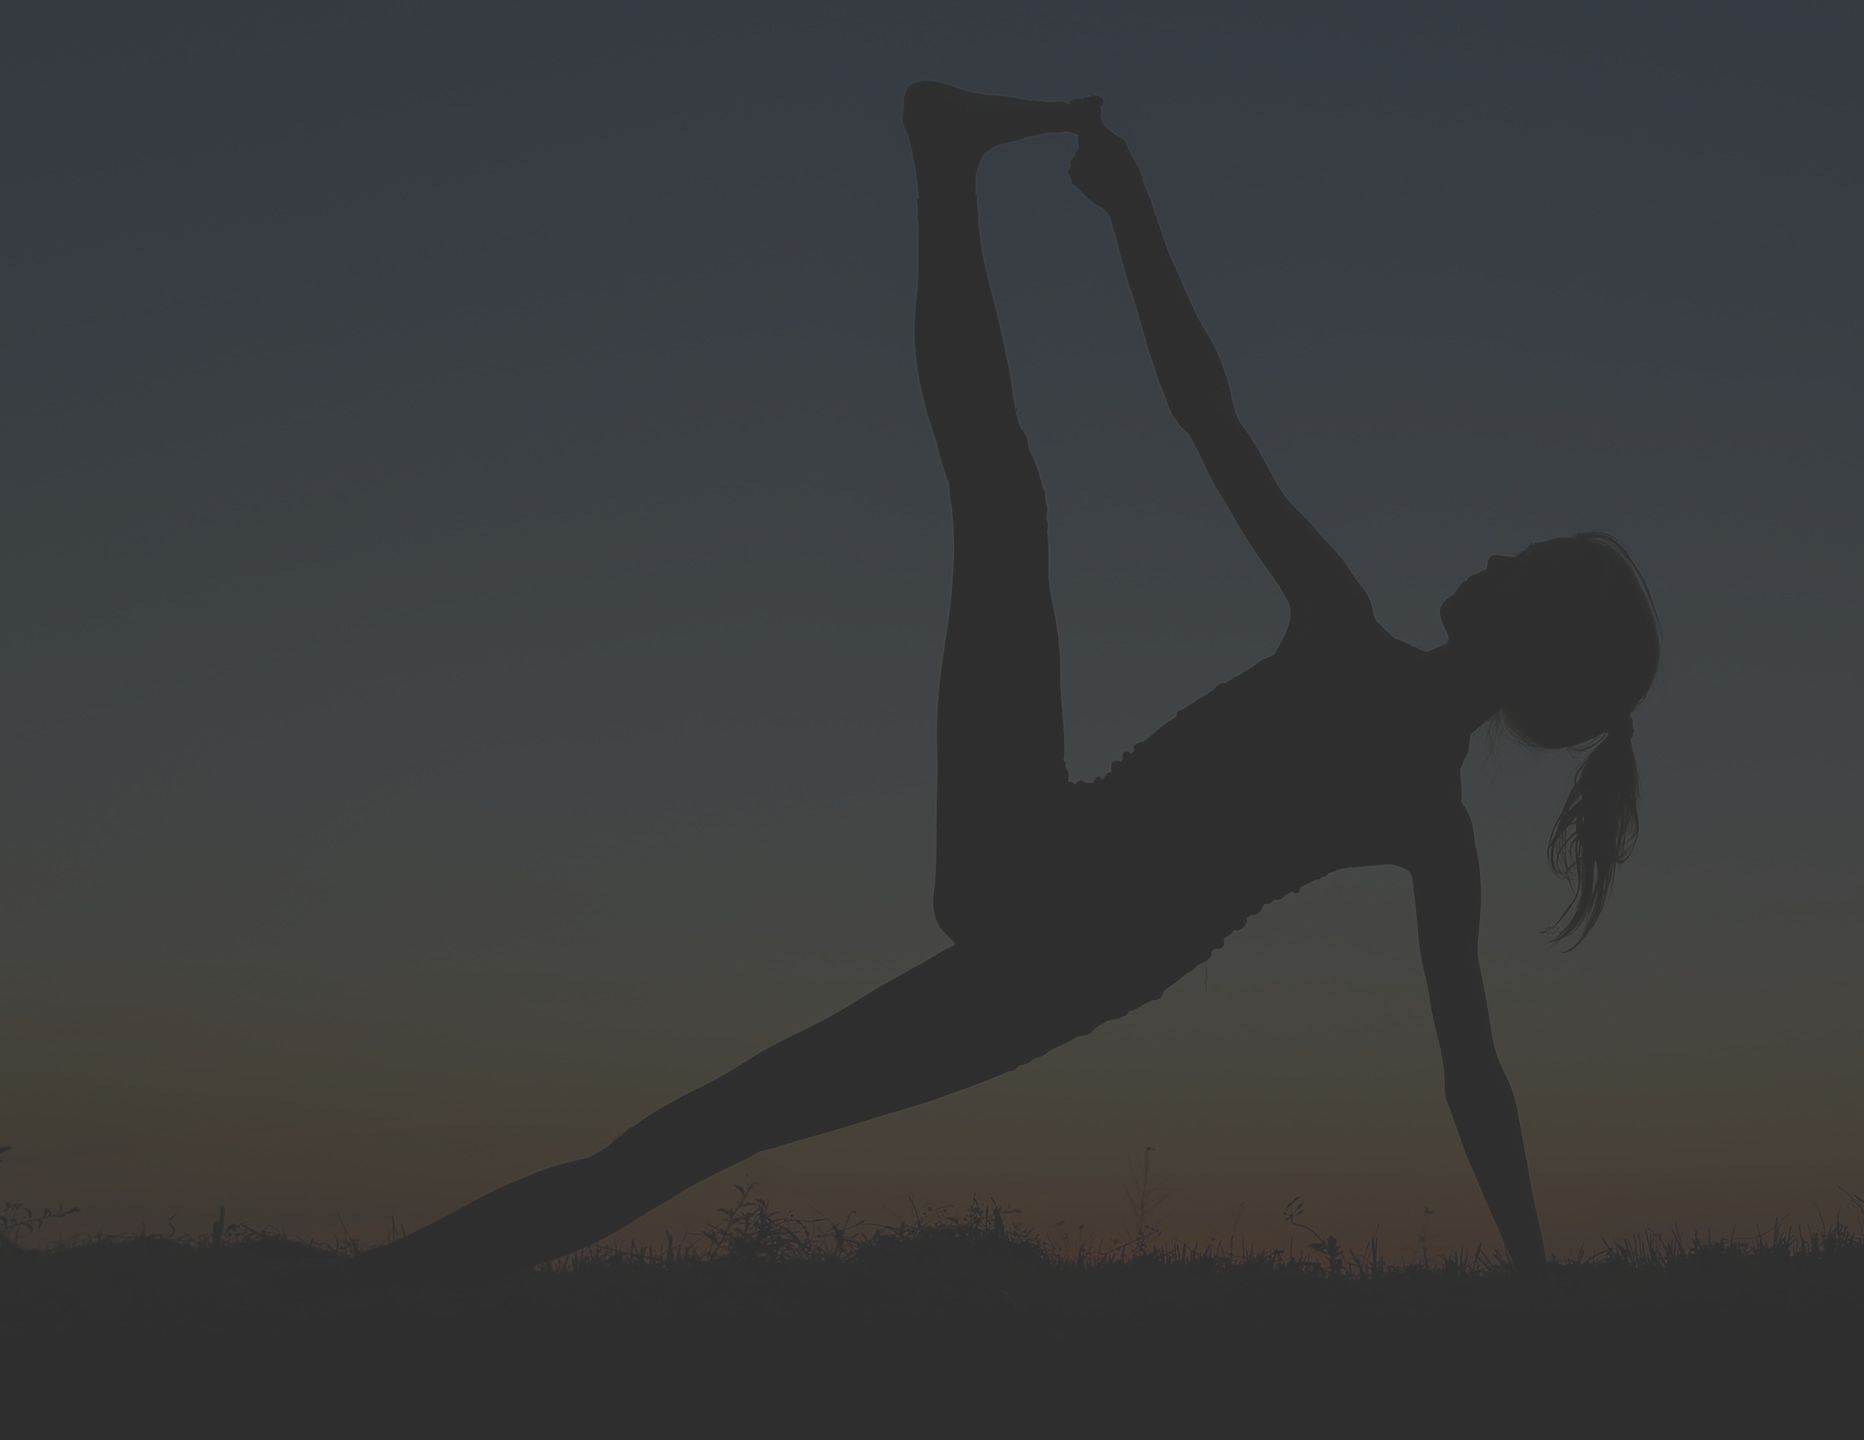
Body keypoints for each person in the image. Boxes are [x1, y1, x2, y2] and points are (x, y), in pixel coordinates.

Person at [341, 82, 1660, 1283]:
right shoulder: (1410, 776)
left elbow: (1207, 408)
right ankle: (945, 155)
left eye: (1522, 566)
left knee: (680, 1144)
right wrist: (1535, 1282)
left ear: (1529, 642)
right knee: (676, 1145)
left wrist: (1133, 211)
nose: (1492, 556)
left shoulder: (1364, 678)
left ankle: (943, 161)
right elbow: (1204, 408)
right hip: (1048, 902)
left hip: (1035, 919)